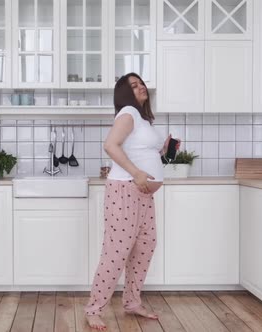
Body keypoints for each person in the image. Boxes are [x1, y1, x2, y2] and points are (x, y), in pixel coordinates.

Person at [85, 73, 180, 330]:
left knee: (145, 246)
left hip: (142, 193)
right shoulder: (128, 111)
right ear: (125, 94)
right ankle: (94, 308)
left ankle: (132, 302)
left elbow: (139, 150)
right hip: (126, 190)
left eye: (141, 84)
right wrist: (137, 173)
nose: (140, 88)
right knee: (116, 253)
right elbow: (111, 145)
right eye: (134, 86)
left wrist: (163, 151)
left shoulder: (142, 118)